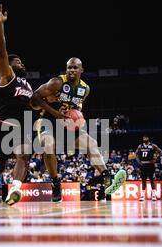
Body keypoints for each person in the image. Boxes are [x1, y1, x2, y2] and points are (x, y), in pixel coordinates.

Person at [32, 57, 126, 202]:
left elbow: (76, 106)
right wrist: (55, 112)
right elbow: (35, 97)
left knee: (91, 143)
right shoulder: (57, 82)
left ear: (81, 70)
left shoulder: (85, 89)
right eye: (69, 67)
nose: (71, 70)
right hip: (48, 120)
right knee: (48, 145)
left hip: (68, 123)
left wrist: (77, 117)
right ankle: (56, 184)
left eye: (75, 67)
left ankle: (107, 177)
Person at [0, 3, 38, 206]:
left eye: (21, 61)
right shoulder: (8, 76)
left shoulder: (28, 85)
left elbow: (33, 106)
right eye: (17, 61)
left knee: (24, 155)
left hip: (21, 128)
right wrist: (0, 24)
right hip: (3, 125)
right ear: (10, 65)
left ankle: (14, 189)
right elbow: (2, 51)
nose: (21, 63)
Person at [136, 135, 162, 201]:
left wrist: (156, 160)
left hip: (150, 164)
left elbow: (161, 152)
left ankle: (154, 196)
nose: (144, 139)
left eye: (146, 137)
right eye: (143, 138)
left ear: (148, 138)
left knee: (151, 180)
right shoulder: (140, 146)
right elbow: (135, 154)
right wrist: (138, 161)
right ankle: (142, 196)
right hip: (143, 165)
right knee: (143, 181)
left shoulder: (153, 145)